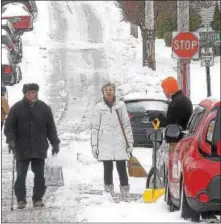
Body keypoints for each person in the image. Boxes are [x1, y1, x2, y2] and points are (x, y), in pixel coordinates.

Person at [4, 83, 60, 209]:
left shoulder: (44, 108)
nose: (34, 95)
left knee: (40, 175)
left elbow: (51, 128)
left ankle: (38, 198)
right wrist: (11, 141)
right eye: (31, 92)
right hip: (21, 148)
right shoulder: (16, 108)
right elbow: (9, 128)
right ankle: (21, 200)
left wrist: (55, 143)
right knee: (20, 175)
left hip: (39, 147)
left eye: (35, 92)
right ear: (25, 94)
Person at [91, 82, 134, 200]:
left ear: (114, 91)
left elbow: (126, 125)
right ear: (103, 92)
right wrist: (94, 145)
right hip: (105, 142)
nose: (108, 92)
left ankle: (124, 190)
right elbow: (95, 127)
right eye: (106, 90)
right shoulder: (99, 107)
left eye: (110, 89)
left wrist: (130, 143)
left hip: (120, 141)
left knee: (121, 166)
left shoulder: (121, 106)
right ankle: (108, 191)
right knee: (107, 167)